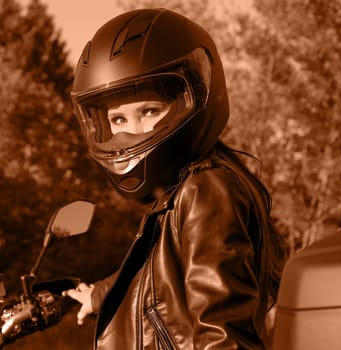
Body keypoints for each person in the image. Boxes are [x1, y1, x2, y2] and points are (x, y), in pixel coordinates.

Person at [62, 8, 287, 349]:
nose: (131, 133)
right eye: (118, 121)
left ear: (193, 99)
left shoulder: (207, 190)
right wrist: (100, 295)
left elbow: (223, 332)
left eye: (149, 112)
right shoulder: (178, 197)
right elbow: (159, 274)